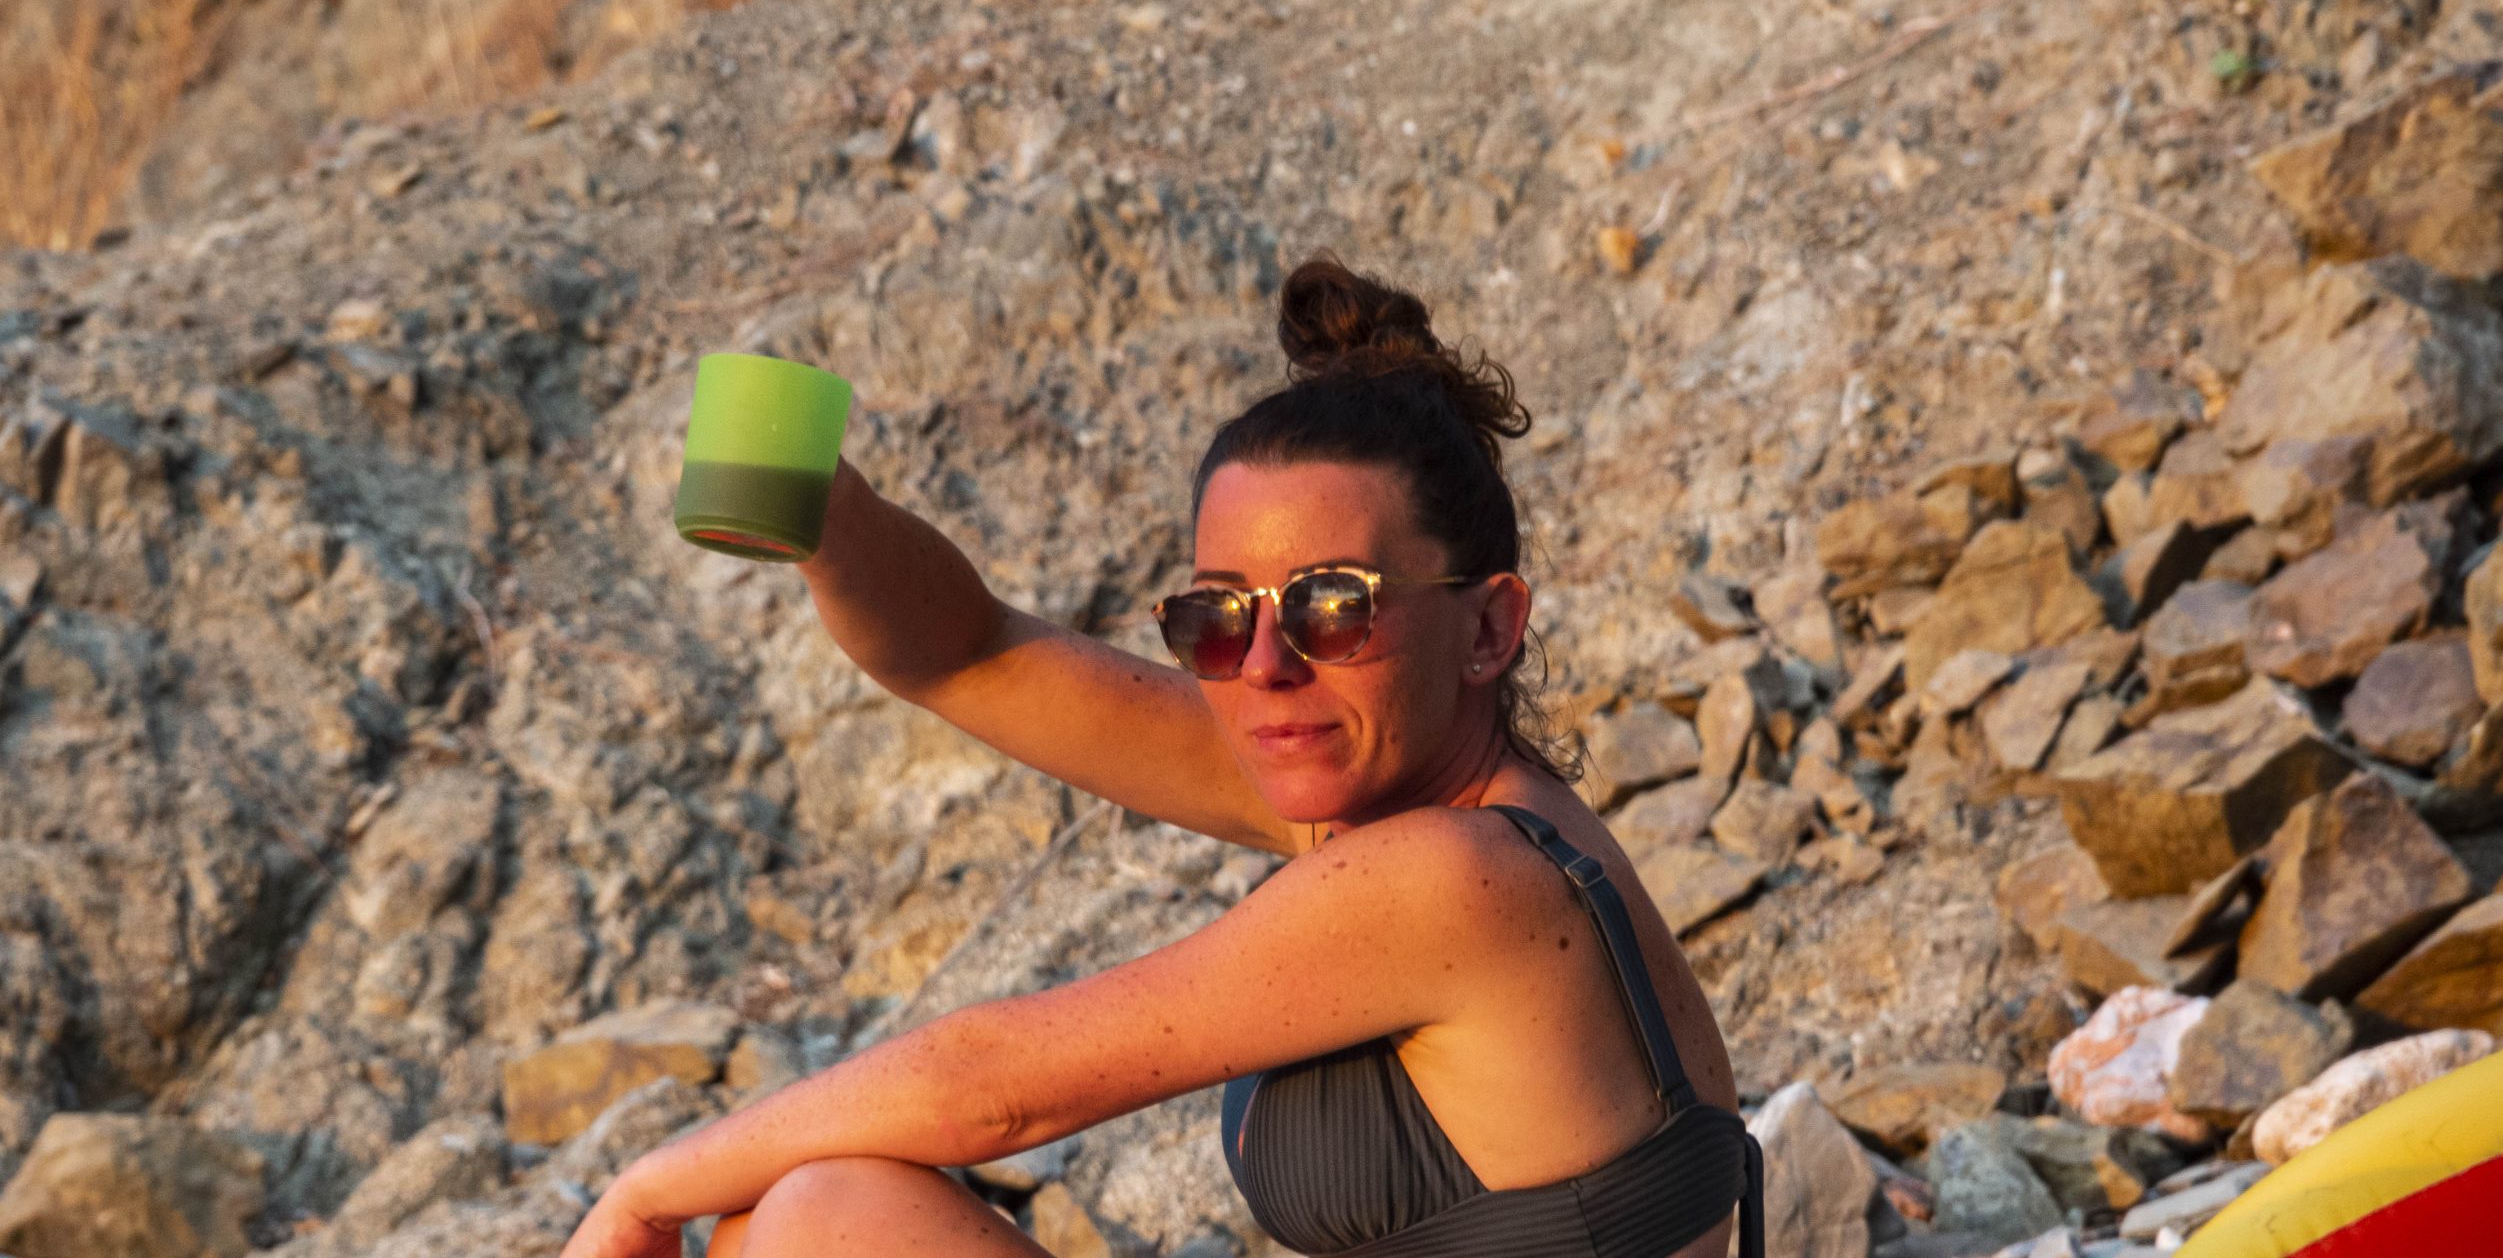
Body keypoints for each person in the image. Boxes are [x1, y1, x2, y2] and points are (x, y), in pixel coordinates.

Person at [560, 252, 1764, 1258]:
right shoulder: (1403, 793)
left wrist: (643, 1190)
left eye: (1334, 607)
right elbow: (970, 654)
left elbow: (992, 1088)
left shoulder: (1453, 880)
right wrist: (810, 495)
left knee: (816, 1222)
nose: (1266, 666)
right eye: (1215, 619)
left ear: (1490, 627)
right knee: (802, 1216)